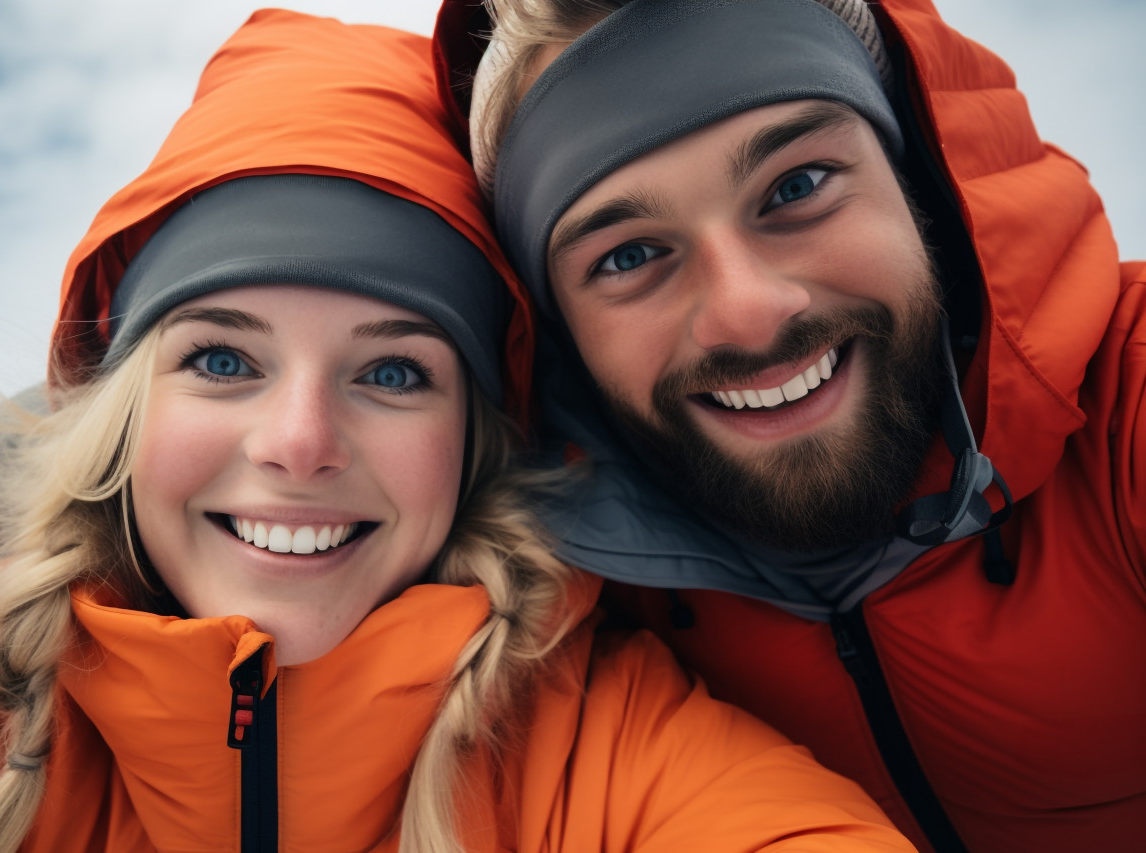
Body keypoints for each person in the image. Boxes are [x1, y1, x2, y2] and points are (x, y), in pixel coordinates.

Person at [0, 9, 916, 853]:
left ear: (476, 441)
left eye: (391, 371)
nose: (298, 441)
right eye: (222, 360)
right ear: (120, 411)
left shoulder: (602, 754)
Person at [428, 0, 1146, 850]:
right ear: (560, 338)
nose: (749, 312)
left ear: (914, 178)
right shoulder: (546, 616)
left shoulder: (1123, 400)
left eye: (796, 187)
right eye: (627, 255)